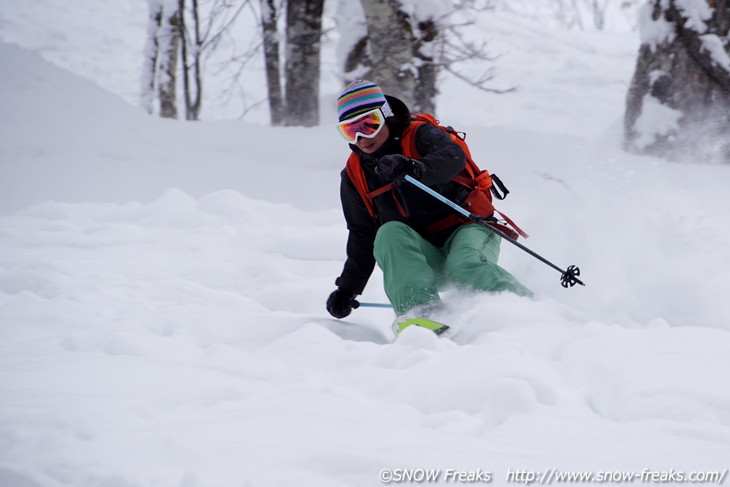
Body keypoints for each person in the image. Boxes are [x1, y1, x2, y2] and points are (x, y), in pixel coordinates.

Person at [326, 80, 531, 334]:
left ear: (385, 116)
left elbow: (453, 157)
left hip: (468, 225)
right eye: (350, 131)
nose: (361, 138)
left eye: (369, 125)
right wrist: (348, 289)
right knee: (388, 233)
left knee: (464, 264)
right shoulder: (355, 174)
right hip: (423, 255)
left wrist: (414, 167)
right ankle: (422, 314)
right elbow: (362, 233)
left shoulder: (419, 134)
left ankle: (529, 311)